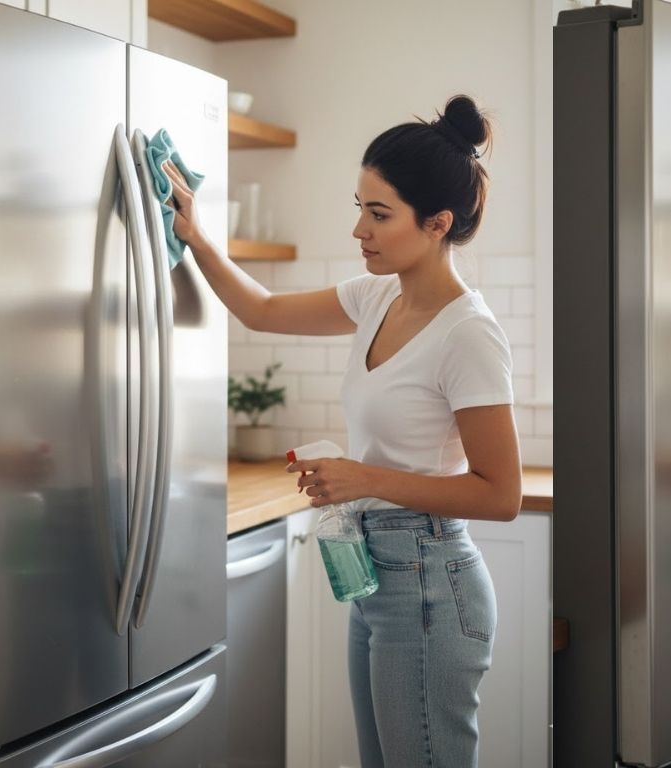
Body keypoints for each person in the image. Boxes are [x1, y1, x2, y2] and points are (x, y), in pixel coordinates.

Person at [164, 94, 521, 768]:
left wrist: (364, 479)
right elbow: (262, 310)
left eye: (380, 214)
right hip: (382, 577)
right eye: (359, 206)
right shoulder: (376, 295)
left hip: (431, 582)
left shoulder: (469, 334)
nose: (360, 229)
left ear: (438, 222)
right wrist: (197, 236)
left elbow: (500, 494)